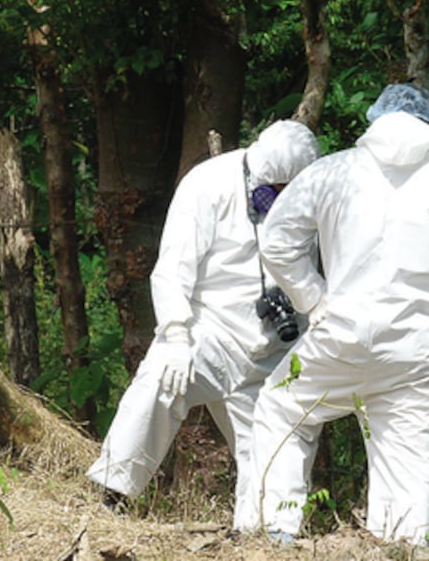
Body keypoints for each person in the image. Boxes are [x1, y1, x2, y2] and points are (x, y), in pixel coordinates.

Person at [248, 82, 429, 548]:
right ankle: (406, 550)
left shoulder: (333, 172)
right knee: (409, 461)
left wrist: (313, 299)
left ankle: (275, 534)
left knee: (282, 408)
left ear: (375, 120)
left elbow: (276, 242)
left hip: (341, 336)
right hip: (422, 353)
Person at [87, 119, 321, 527]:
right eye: (275, 191)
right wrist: (176, 335)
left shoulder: (312, 198)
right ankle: (111, 496)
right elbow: (173, 268)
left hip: (272, 348)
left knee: (275, 447)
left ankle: (263, 535)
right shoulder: (208, 183)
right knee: (157, 384)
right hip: (208, 330)